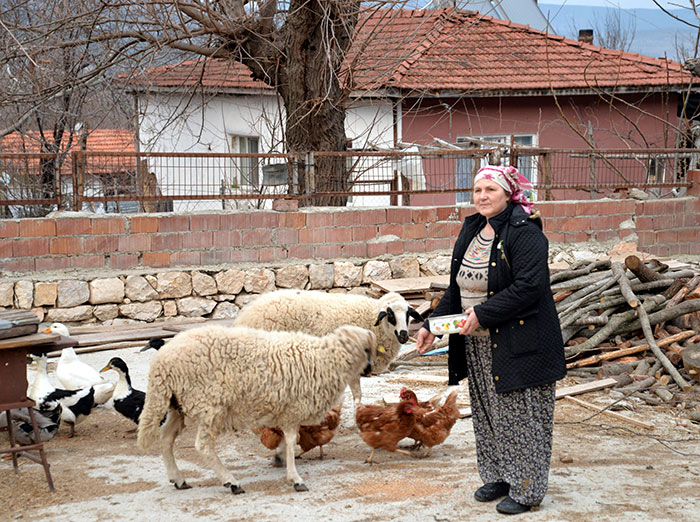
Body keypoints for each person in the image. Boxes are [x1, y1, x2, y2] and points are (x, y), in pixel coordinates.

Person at [415, 164, 566, 515]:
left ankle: (527, 489)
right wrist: (430, 324)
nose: (482, 196)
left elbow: (529, 286)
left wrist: (483, 314)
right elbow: (459, 288)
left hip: (519, 342)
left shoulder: (524, 233)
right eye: (478, 189)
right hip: (478, 342)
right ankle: (499, 476)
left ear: (508, 194)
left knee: (519, 417)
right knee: (487, 413)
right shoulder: (472, 230)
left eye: (491, 190)